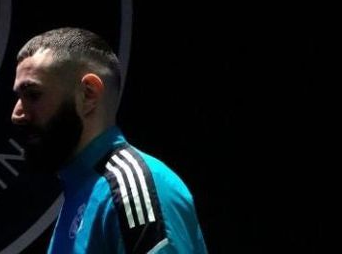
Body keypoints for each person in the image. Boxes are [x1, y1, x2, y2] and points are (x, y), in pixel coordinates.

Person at [11, 27, 207, 253]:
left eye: (33, 95)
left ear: (88, 94)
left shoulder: (131, 191)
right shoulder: (83, 190)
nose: (16, 114)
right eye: (19, 97)